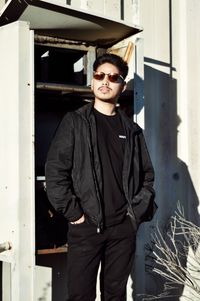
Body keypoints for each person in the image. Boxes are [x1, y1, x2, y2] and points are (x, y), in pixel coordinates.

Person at [45, 53, 156, 301]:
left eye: (113, 77)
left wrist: (133, 216)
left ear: (122, 86)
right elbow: (55, 171)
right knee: (81, 295)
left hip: (122, 229)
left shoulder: (132, 131)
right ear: (92, 81)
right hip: (85, 227)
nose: (105, 81)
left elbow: (147, 177)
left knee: (115, 295)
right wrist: (75, 214)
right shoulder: (75, 122)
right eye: (99, 75)